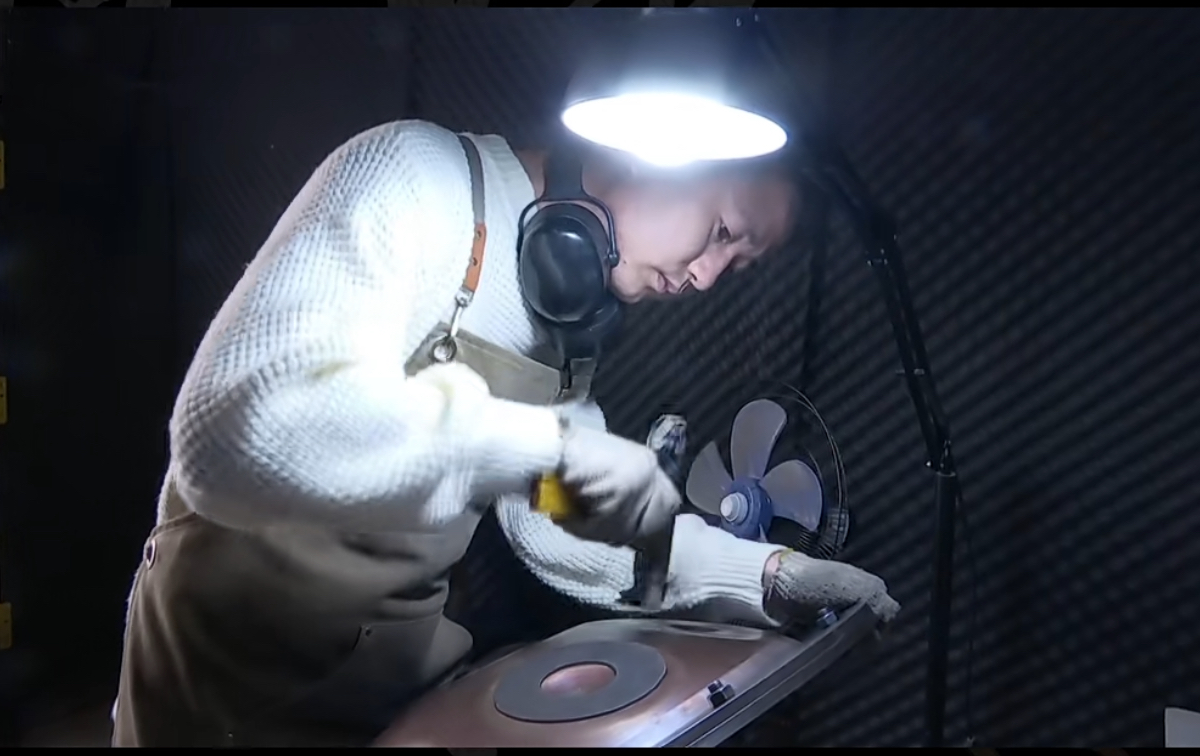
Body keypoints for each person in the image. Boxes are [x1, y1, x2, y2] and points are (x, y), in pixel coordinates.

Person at [111, 119, 900, 747]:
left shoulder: (565, 327)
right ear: (651, 146)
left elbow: (556, 511)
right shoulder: (414, 179)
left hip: (390, 685)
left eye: (741, 263)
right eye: (724, 231)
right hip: (229, 677)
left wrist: (763, 574)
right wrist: (542, 450)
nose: (706, 277)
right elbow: (234, 436)